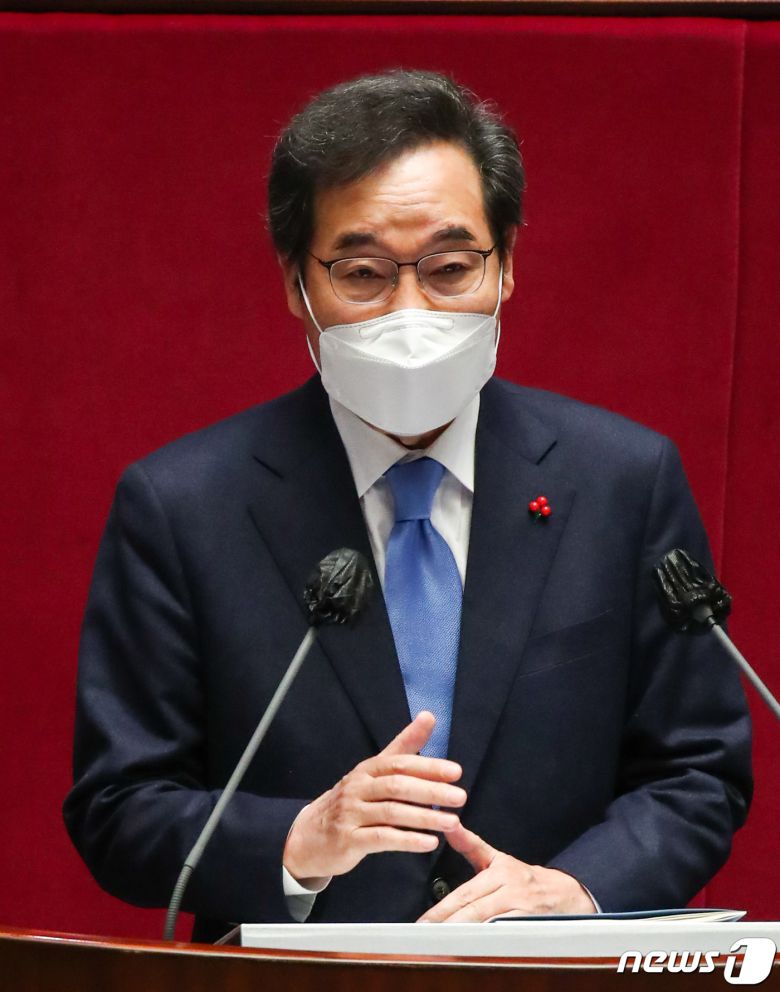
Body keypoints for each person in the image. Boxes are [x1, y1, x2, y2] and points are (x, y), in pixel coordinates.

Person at [63, 70, 752, 941]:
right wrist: (297, 840)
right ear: (296, 286)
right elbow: (119, 805)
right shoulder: (183, 506)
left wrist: (577, 891)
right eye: (362, 274)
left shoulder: (623, 481)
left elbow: (698, 771)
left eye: (451, 268)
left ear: (507, 266)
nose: (412, 310)